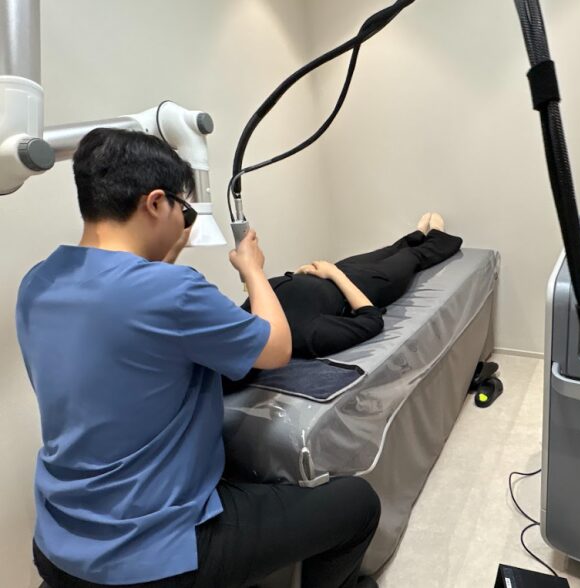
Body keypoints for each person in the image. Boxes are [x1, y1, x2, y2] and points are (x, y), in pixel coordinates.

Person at [16, 128, 381, 588]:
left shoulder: (38, 283)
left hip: (58, 547)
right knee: (358, 505)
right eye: (182, 208)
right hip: (151, 555)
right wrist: (253, 269)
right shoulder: (172, 290)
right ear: (155, 203)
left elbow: (132, 329)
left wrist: (163, 255)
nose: (185, 221)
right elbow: (277, 348)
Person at [242, 213, 463, 359]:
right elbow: (372, 320)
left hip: (332, 271)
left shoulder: (250, 312)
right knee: (412, 256)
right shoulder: (308, 336)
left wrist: (301, 274)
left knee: (390, 249)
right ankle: (438, 236)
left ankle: (417, 235)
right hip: (368, 284)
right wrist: (334, 274)